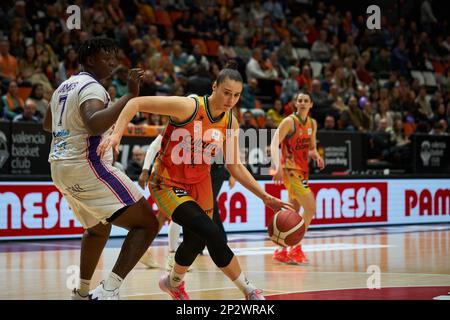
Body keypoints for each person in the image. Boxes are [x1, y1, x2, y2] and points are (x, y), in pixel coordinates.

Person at [97, 61, 293, 300]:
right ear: (214, 87)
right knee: (212, 233)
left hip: (201, 183)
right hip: (168, 182)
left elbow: (235, 165)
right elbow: (135, 102)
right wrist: (117, 133)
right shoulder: (188, 107)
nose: (231, 100)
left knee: (197, 240)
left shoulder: (230, 121)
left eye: (237, 95)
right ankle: (249, 291)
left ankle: (173, 282)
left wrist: (264, 196)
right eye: (226, 93)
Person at [42, 37, 159, 300]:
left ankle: (82, 292)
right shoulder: (92, 87)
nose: (113, 63)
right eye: (107, 59)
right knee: (148, 224)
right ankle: (109, 290)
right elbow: (94, 124)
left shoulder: (63, 86)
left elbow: (48, 124)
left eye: (114, 58)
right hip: (87, 164)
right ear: (90, 59)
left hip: (59, 167)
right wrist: (130, 96)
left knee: (97, 229)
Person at [270, 92, 325, 265]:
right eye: (299, 100)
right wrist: (277, 165)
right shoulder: (289, 121)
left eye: (305, 101)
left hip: (303, 170)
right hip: (290, 170)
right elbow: (273, 143)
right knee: (311, 207)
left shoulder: (312, 123)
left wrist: (316, 156)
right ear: (295, 103)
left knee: (293, 210)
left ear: (311, 104)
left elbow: (312, 148)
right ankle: (296, 247)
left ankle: (280, 250)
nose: (302, 103)